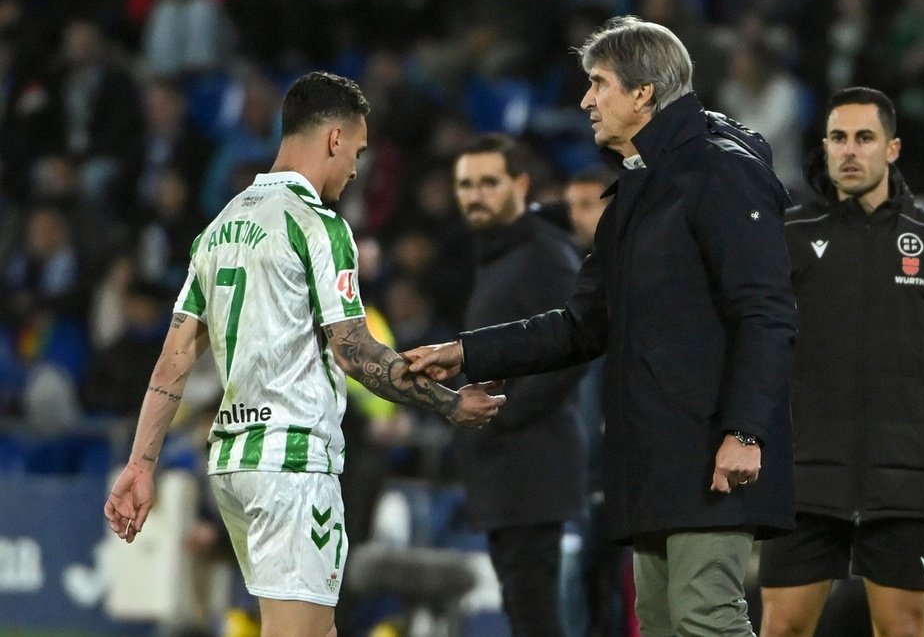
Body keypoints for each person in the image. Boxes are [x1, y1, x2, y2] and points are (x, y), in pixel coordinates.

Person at [404, 15, 798, 637]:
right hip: (652, 456)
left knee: (708, 618)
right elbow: (581, 325)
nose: (586, 99)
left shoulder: (720, 172)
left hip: (709, 447)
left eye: (599, 83)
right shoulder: (639, 189)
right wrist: (467, 352)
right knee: (665, 625)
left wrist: (745, 431)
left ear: (643, 93)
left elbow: (767, 311)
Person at [103, 72, 506, 637]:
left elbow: (173, 360)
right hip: (291, 466)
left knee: (313, 630)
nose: (356, 169)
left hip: (233, 465)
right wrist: (448, 403)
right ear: (334, 139)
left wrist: (141, 464)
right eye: (358, 152)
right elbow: (354, 350)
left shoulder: (217, 230)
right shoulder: (317, 225)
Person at [758, 87, 924, 637]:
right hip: (804, 478)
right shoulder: (787, 238)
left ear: (892, 149)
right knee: (782, 629)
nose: (850, 150)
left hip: (900, 483)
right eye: (838, 138)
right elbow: (754, 349)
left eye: (864, 138)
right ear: (823, 146)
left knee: (904, 631)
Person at [449, 133, 587, 636]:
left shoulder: (545, 254)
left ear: (521, 184)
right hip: (504, 469)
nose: (475, 194)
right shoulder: (498, 255)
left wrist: (502, 414)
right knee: (522, 611)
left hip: (535, 464)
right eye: (465, 184)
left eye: (489, 182)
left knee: (535, 616)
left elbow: (575, 350)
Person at [560, 166, 633, 637]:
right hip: (580, 462)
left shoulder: (628, 272)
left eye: (588, 204)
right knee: (580, 583)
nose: (577, 217)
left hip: (621, 461)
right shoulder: (568, 271)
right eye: (571, 207)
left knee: (614, 584)